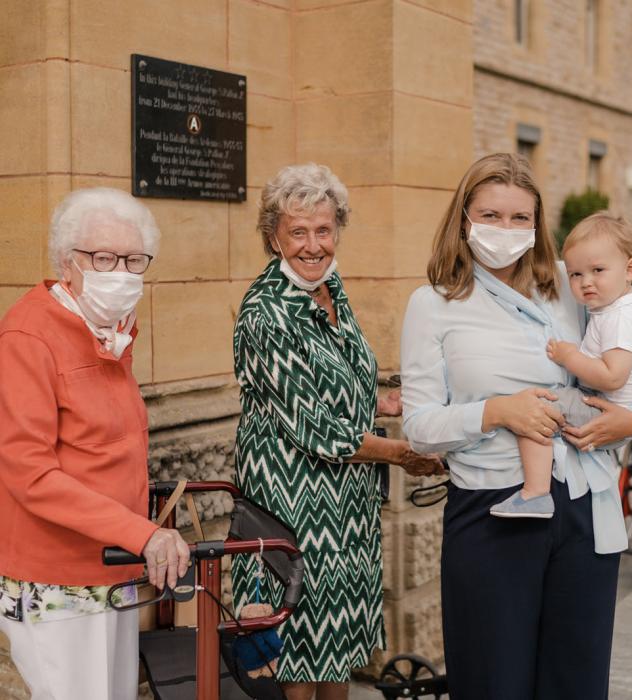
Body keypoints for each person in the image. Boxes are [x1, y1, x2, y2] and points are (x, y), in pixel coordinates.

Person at [400, 153, 632, 699]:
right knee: (495, 681)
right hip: (495, 508)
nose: (506, 229)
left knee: (577, 681)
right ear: (464, 218)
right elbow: (422, 426)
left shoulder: (573, 293)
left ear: (537, 223)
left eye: (521, 218)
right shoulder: (433, 304)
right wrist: (498, 411)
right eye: (491, 215)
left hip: (584, 507)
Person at [232, 163, 443, 700]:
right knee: (300, 647)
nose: (312, 244)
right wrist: (402, 452)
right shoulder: (267, 312)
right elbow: (318, 430)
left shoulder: (329, 290)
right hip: (293, 503)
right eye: (297, 231)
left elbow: (337, 381)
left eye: (323, 229)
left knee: (338, 646)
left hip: (345, 504)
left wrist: (381, 399)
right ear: (273, 234)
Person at [0, 188, 190, 700]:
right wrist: (144, 533)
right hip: (57, 576)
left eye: (133, 260)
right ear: (67, 262)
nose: (120, 272)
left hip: (112, 565)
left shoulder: (110, 329)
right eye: (102, 258)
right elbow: (30, 473)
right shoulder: (30, 334)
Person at [490, 213, 632, 518]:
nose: (585, 282)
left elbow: (613, 376)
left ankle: (535, 492)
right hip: (609, 408)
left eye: (597, 270)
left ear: (630, 269)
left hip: (605, 408)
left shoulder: (620, 318)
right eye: (576, 274)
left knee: (535, 408)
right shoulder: (620, 305)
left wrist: (570, 358)